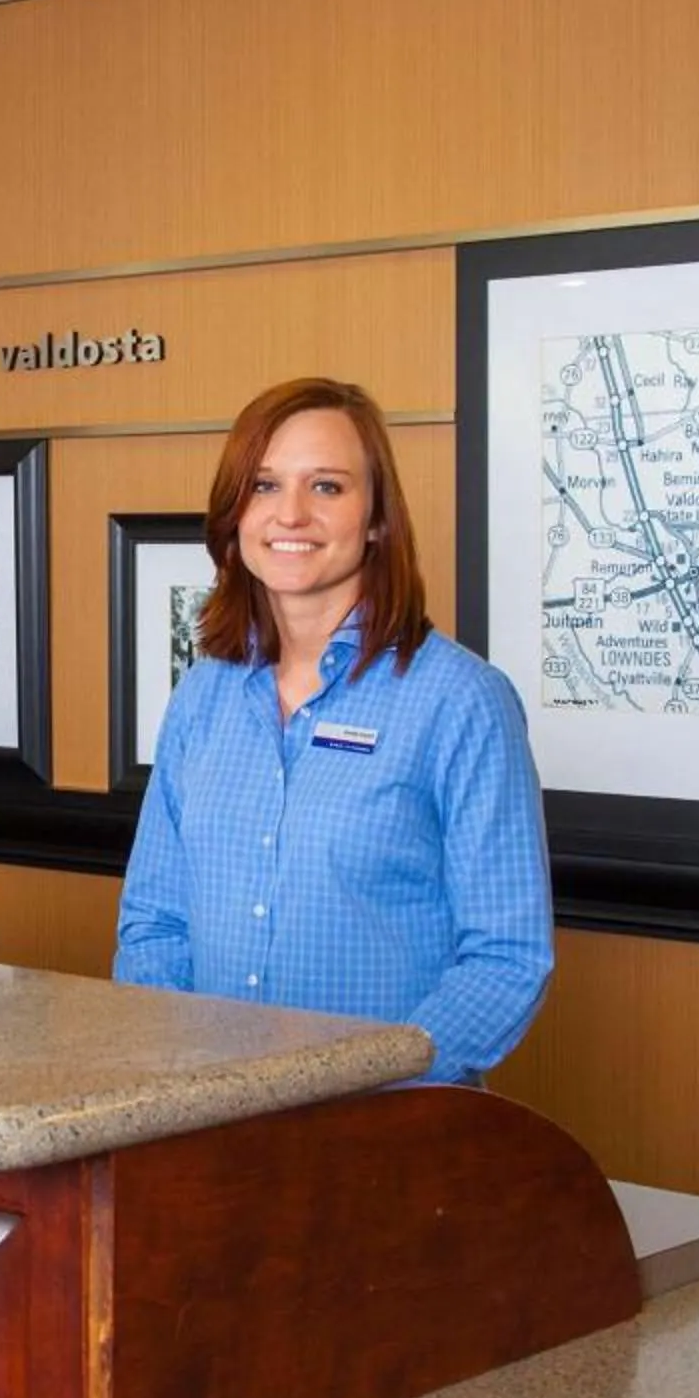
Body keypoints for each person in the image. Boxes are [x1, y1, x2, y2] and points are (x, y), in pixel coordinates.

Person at [112, 376, 553, 1084]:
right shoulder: (202, 697)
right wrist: (182, 1080)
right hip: (207, 1126)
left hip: (383, 1134)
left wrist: (373, 1088)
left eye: (326, 487)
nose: (290, 514)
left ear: (377, 518)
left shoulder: (461, 702)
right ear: (234, 515)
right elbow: (154, 924)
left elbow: (505, 959)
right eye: (263, 485)